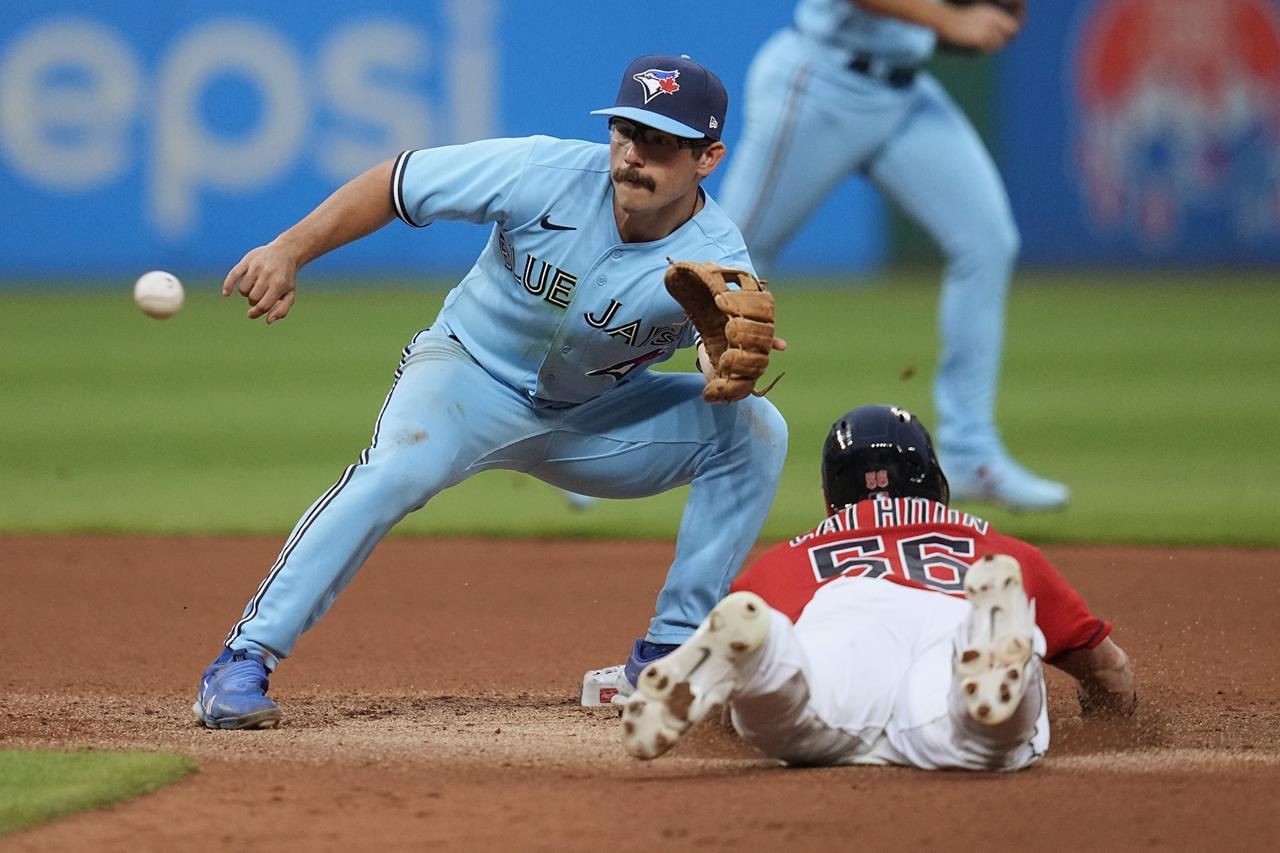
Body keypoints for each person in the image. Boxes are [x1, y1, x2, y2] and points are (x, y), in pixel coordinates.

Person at [192, 54, 789, 730]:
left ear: (707, 157)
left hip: (592, 418)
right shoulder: (543, 171)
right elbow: (398, 183)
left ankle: (665, 657)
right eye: (626, 132)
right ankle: (242, 659)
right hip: (464, 376)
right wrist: (290, 249)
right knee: (396, 469)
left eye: (660, 143)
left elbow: (724, 363)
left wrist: (726, 365)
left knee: (758, 432)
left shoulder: (720, 255)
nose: (632, 156)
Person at [618, 405, 1133, 770]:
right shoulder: (1003, 552)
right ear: (934, 479)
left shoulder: (785, 560)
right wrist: (1114, 725)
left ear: (830, 492)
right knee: (977, 743)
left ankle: (766, 652)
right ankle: (985, 647)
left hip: (840, 616)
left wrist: (738, 714)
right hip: (953, 614)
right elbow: (1107, 669)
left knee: (795, 718)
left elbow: (732, 729)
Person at [716, 0, 1069, 511]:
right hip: (822, 81)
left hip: (905, 93)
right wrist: (951, 21)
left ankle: (971, 453)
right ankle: (599, 401)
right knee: (726, 263)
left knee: (986, 241)